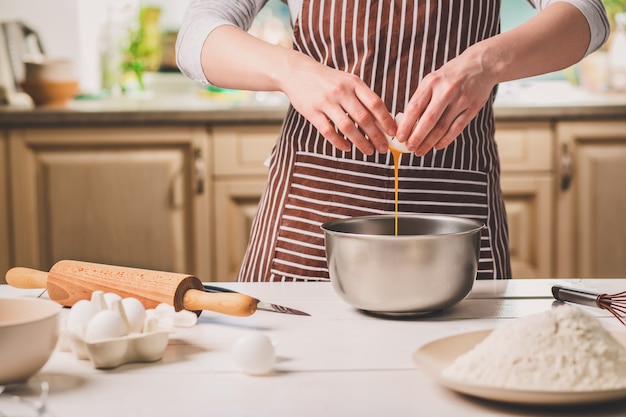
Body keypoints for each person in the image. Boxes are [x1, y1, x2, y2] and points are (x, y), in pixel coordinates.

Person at [176, 0, 609, 281]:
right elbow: (197, 35)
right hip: (309, 227)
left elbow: (587, 14)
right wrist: (291, 71)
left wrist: (487, 62)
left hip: (455, 224)